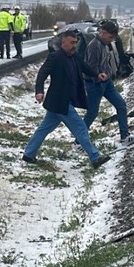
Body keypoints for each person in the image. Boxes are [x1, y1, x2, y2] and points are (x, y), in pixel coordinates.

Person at [23, 29, 111, 169]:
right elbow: (42, 73)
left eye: (76, 42)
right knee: (80, 127)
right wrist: (39, 91)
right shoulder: (55, 57)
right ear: (63, 42)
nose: (74, 45)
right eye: (71, 42)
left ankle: (28, 154)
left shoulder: (74, 56)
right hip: (59, 101)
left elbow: (85, 67)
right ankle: (95, 157)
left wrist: (97, 74)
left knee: (44, 129)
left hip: (62, 102)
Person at [82, 21, 133, 141]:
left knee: (121, 106)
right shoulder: (94, 46)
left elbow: (106, 63)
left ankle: (125, 136)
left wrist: (109, 74)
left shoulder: (105, 44)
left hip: (107, 83)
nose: (111, 40)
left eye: (114, 38)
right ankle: (79, 141)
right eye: (110, 37)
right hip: (95, 84)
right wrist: (99, 76)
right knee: (92, 113)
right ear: (103, 33)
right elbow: (90, 67)